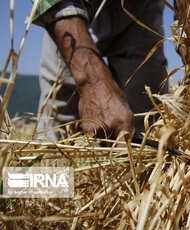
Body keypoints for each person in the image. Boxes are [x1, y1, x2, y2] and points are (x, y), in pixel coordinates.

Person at [33, 0, 168, 141]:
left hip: (141, 7)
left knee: (149, 117)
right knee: (59, 111)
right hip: (74, 8)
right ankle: (50, 156)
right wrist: (90, 81)